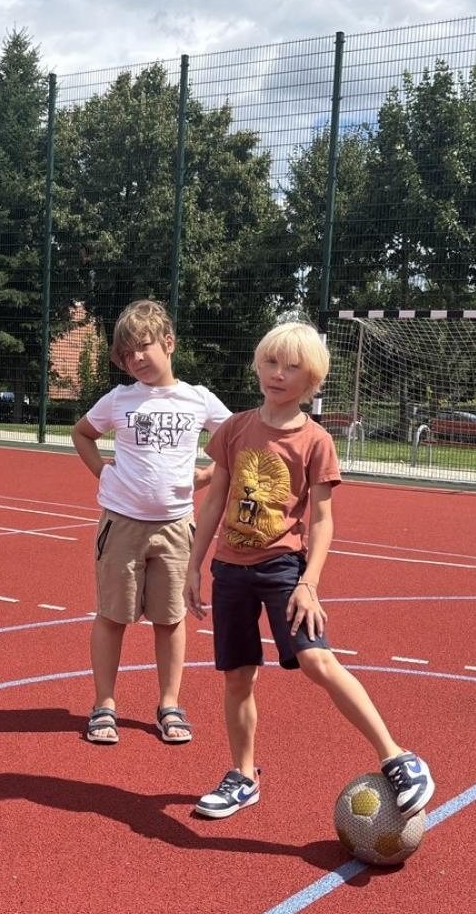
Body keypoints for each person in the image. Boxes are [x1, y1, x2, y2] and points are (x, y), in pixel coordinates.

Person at [182, 322, 433, 820]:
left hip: (283, 569)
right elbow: (213, 503)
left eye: (293, 367)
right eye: (271, 362)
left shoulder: (315, 441)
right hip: (231, 569)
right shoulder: (234, 429)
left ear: (311, 379)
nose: (278, 374)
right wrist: (194, 565)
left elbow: (321, 519)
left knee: (318, 662)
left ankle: (397, 756)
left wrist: (308, 584)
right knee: (237, 678)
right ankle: (243, 776)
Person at [71, 299, 231, 746]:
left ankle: (169, 703)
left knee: (171, 618)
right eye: (126, 355)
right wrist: (103, 471)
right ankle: (104, 704)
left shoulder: (198, 399)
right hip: (121, 525)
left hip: (177, 528)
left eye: (142, 347)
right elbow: (82, 433)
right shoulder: (120, 399)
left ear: (168, 342)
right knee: (111, 615)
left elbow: (236, 440)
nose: (135, 359)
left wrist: (209, 475)